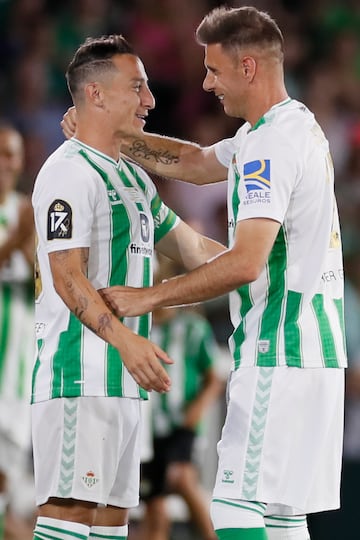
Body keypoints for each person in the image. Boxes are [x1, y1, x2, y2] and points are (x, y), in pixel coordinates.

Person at [62, 7, 348, 540]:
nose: (206, 83)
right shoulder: (288, 127)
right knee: (282, 519)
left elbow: (245, 263)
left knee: (235, 510)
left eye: (214, 70)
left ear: (248, 68)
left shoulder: (270, 145)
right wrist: (114, 135)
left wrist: (148, 298)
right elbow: (194, 163)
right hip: (316, 351)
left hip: (278, 350)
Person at [31, 35, 226, 540]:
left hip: (124, 382)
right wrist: (127, 340)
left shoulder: (134, 180)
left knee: (113, 525)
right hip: (79, 375)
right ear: (95, 94)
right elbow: (66, 275)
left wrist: (269, 267)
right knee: (69, 517)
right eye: (137, 87)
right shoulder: (68, 173)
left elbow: (193, 250)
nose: (150, 101)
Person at [133, 254, 222, 540]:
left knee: (181, 477)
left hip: (180, 425)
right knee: (155, 501)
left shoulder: (192, 328)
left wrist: (196, 411)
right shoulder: (137, 329)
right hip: (147, 427)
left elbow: (213, 378)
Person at [0, 123, 35, 540]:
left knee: (7, 488)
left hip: (16, 376)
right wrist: (19, 237)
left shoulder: (31, 213)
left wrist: (28, 240)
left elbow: (46, 280)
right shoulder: (25, 221)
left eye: (11, 154)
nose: (5, 164)